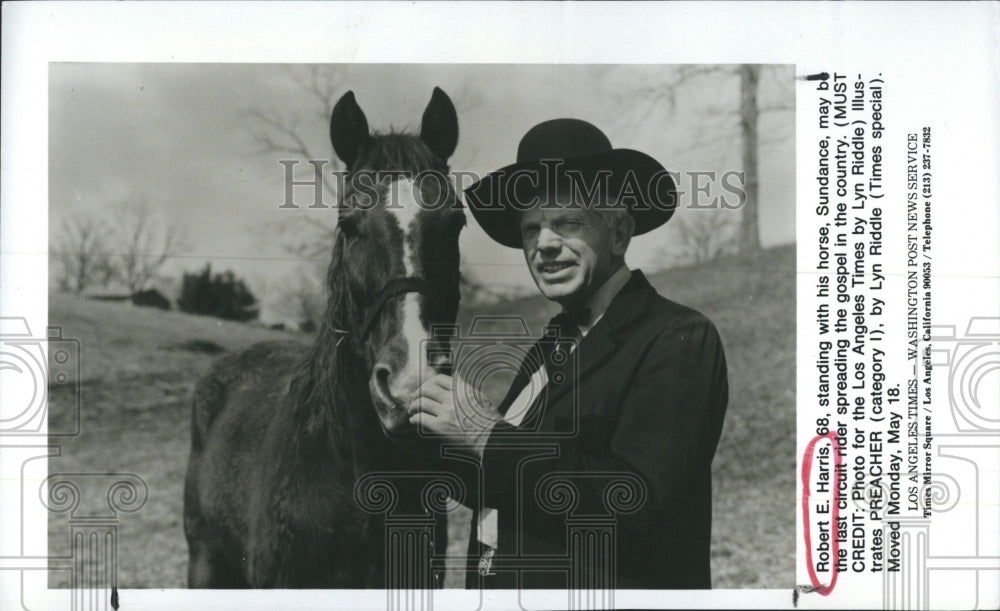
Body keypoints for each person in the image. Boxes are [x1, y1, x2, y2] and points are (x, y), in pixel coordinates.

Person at [409, 118, 729, 589]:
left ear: (619, 233)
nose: (545, 245)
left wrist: (484, 435)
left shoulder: (677, 336)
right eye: (531, 230)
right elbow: (514, 487)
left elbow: (639, 506)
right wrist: (440, 434)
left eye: (568, 223)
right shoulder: (550, 347)